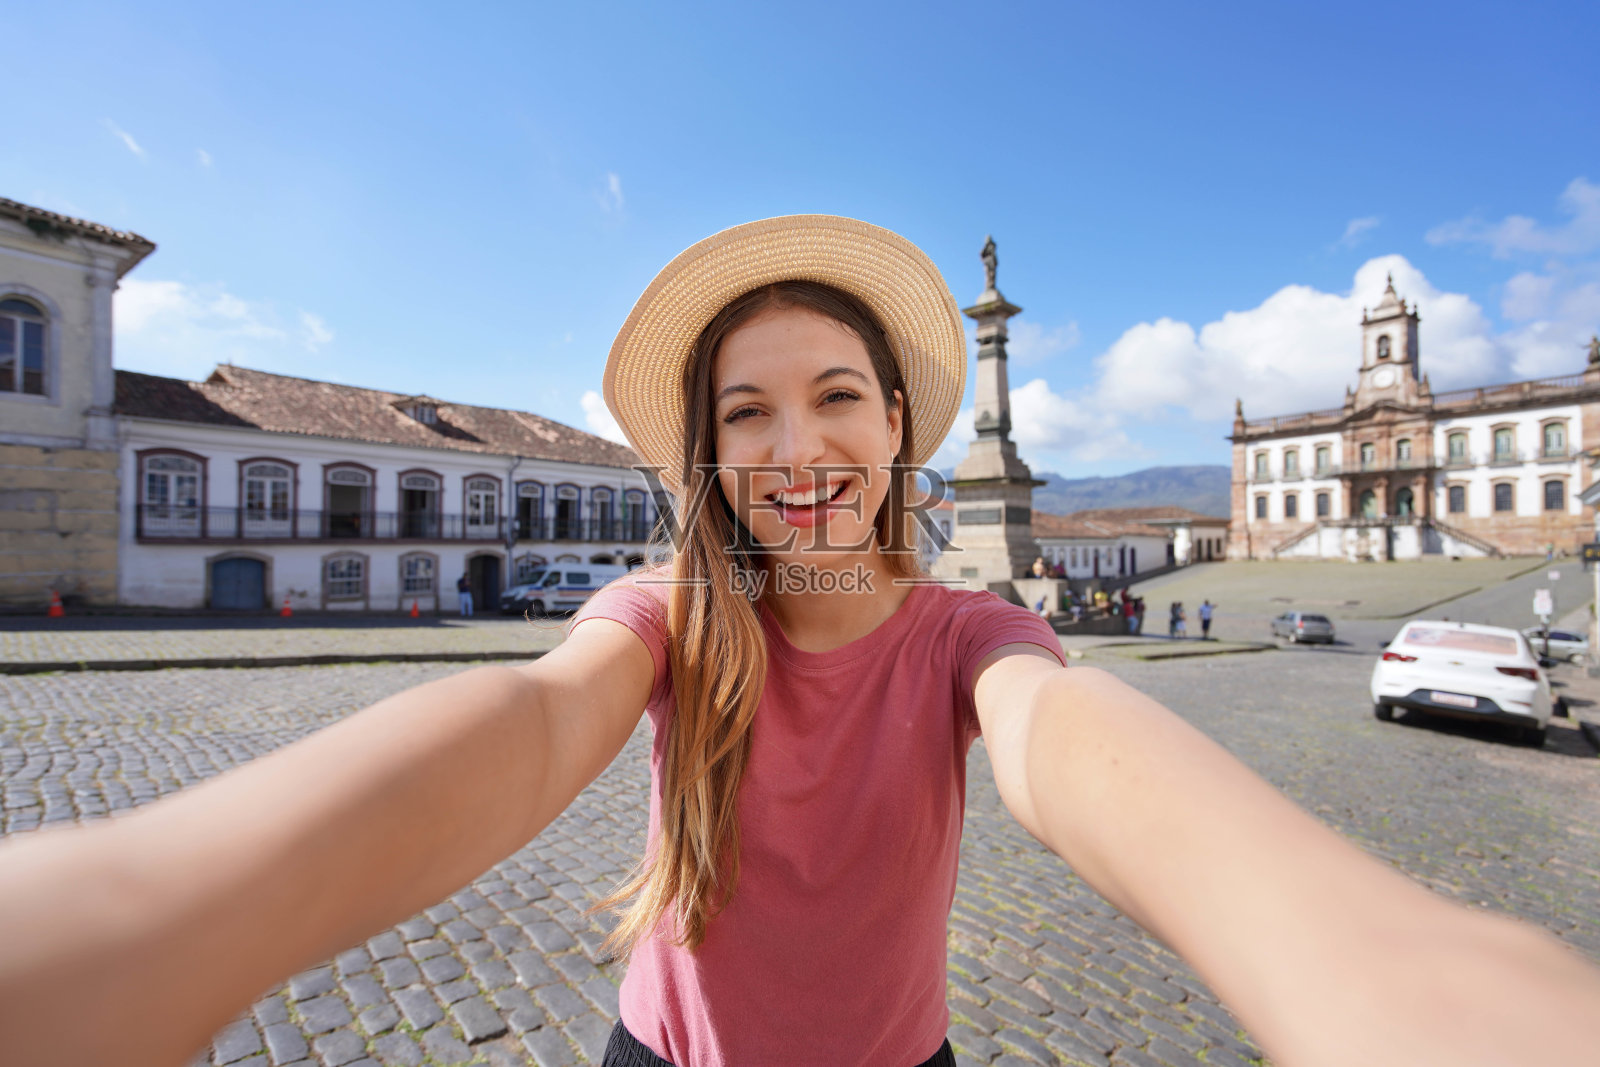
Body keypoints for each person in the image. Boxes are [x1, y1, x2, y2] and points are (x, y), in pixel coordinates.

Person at [1, 215, 1598, 1067]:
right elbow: (534, 725)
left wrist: (1376, 961)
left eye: (836, 395)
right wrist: (161, 902)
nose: (796, 445)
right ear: (709, 456)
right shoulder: (665, 619)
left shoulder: (976, 636)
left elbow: (1073, 751)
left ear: (898, 423)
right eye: (744, 412)